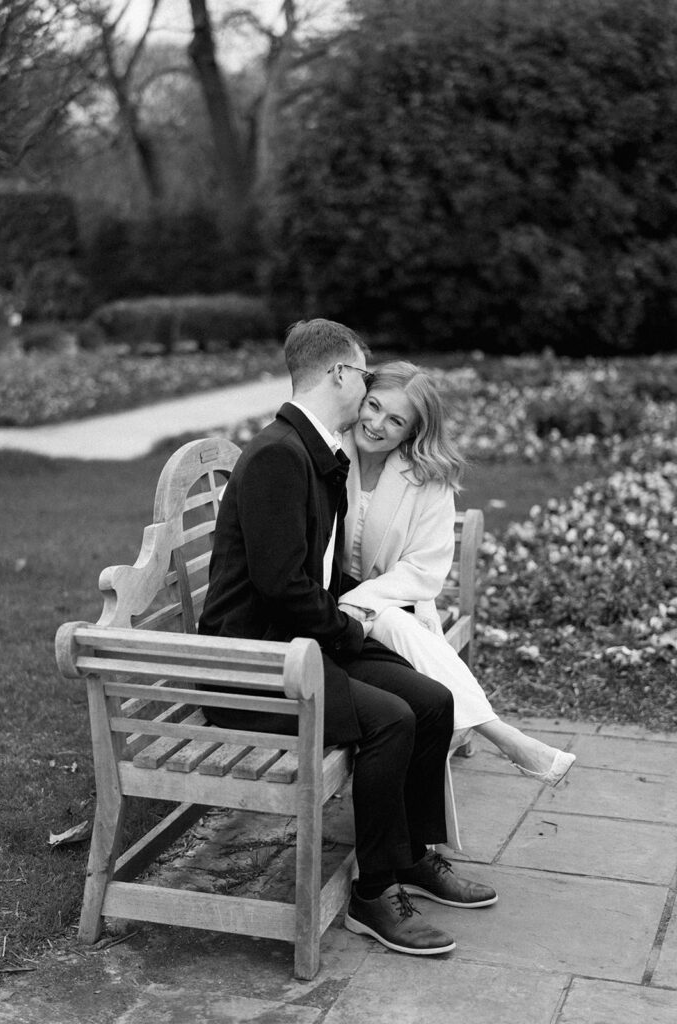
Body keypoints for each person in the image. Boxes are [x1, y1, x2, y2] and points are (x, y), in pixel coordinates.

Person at [199, 319, 497, 958]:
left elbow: (314, 578)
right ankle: (374, 893)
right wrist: (345, 628)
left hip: (298, 646)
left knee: (432, 700)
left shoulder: (312, 451)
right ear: (339, 374)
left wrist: (348, 628)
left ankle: (411, 854)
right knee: (391, 720)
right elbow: (281, 586)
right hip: (253, 669)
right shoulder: (282, 454)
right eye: (364, 374)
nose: (367, 387)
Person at [337, 360, 576, 814]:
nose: (376, 424)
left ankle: (498, 738)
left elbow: (424, 571)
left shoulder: (425, 476)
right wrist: (349, 602)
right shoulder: (330, 452)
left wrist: (361, 600)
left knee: (393, 623)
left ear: (411, 433)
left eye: (396, 421)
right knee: (403, 650)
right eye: (373, 406)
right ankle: (501, 734)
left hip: (394, 599)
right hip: (332, 604)